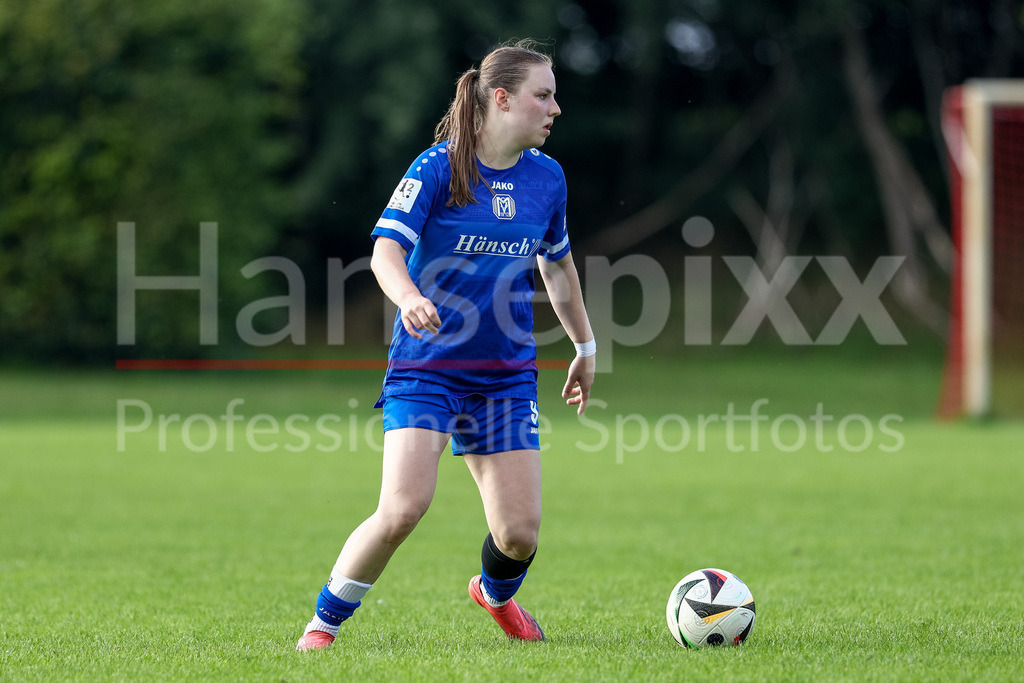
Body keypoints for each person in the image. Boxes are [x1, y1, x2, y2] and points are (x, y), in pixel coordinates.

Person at [296, 39, 596, 651]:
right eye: (543, 96)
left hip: (505, 374)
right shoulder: (438, 167)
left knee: (519, 535)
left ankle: (495, 595)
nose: (555, 109)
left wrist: (585, 348)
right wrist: (409, 297)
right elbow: (385, 251)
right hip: (427, 368)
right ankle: (322, 627)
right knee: (403, 509)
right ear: (501, 99)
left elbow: (557, 266)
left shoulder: (548, 178)